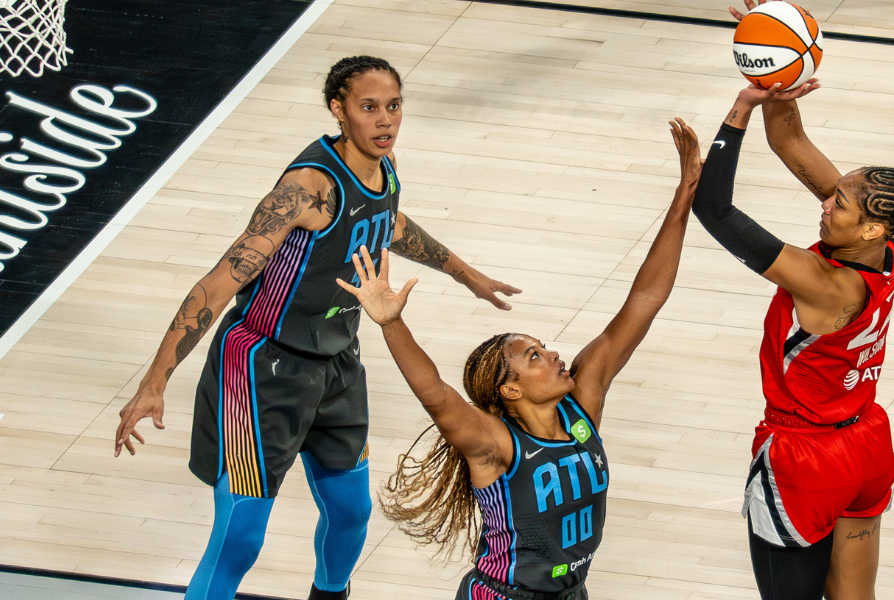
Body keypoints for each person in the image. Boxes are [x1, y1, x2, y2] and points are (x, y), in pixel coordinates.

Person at [112, 55, 521, 600]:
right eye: (369, 107)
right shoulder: (307, 188)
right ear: (338, 109)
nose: (385, 120)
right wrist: (155, 381)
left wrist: (465, 274)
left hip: (337, 360)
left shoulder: (383, 165)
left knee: (351, 514)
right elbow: (220, 282)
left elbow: (388, 221)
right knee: (240, 539)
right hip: (262, 366)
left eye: (393, 106)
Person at [338, 119, 703, 600]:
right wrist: (391, 323)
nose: (553, 354)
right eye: (534, 356)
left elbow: (646, 298)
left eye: (543, 347)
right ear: (510, 389)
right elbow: (436, 395)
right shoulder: (494, 445)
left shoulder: (582, 407)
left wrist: (685, 192)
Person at [693, 7, 894, 595]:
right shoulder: (887, 252)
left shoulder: (823, 282)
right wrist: (775, 80)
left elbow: (714, 210)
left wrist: (740, 109)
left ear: (870, 226)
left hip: (805, 458)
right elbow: (790, 140)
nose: (825, 201)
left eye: (838, 201)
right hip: (864, 442)